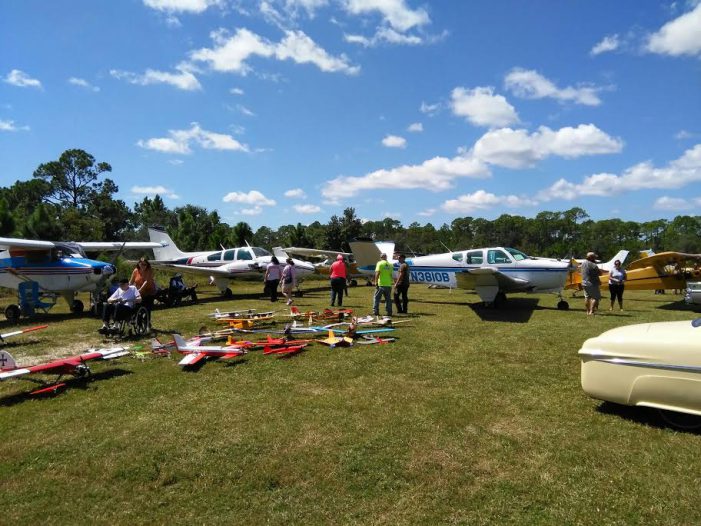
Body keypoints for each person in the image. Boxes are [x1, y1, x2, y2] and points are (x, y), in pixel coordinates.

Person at [581, 251, 601, 315]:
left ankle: (587, 311)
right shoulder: (593, 265)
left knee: (587, 297)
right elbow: (600, 273)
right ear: (592, 258)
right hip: (592, 283)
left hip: (584, 282)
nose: (595, 258)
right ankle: (591, 311)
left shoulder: (583, 263)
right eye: (594, 257)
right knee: (596, 297)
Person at [373, 253, 393, 317]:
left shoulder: (379, 263)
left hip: (381, 284)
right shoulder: (390, 265)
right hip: (388, 284)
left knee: (377, 298)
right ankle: (389, 312)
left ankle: (376, 311)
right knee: (388, 299)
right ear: (386, 257)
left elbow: (377, 273)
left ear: (381, 257)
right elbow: (390, 274)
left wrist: (375, 282)